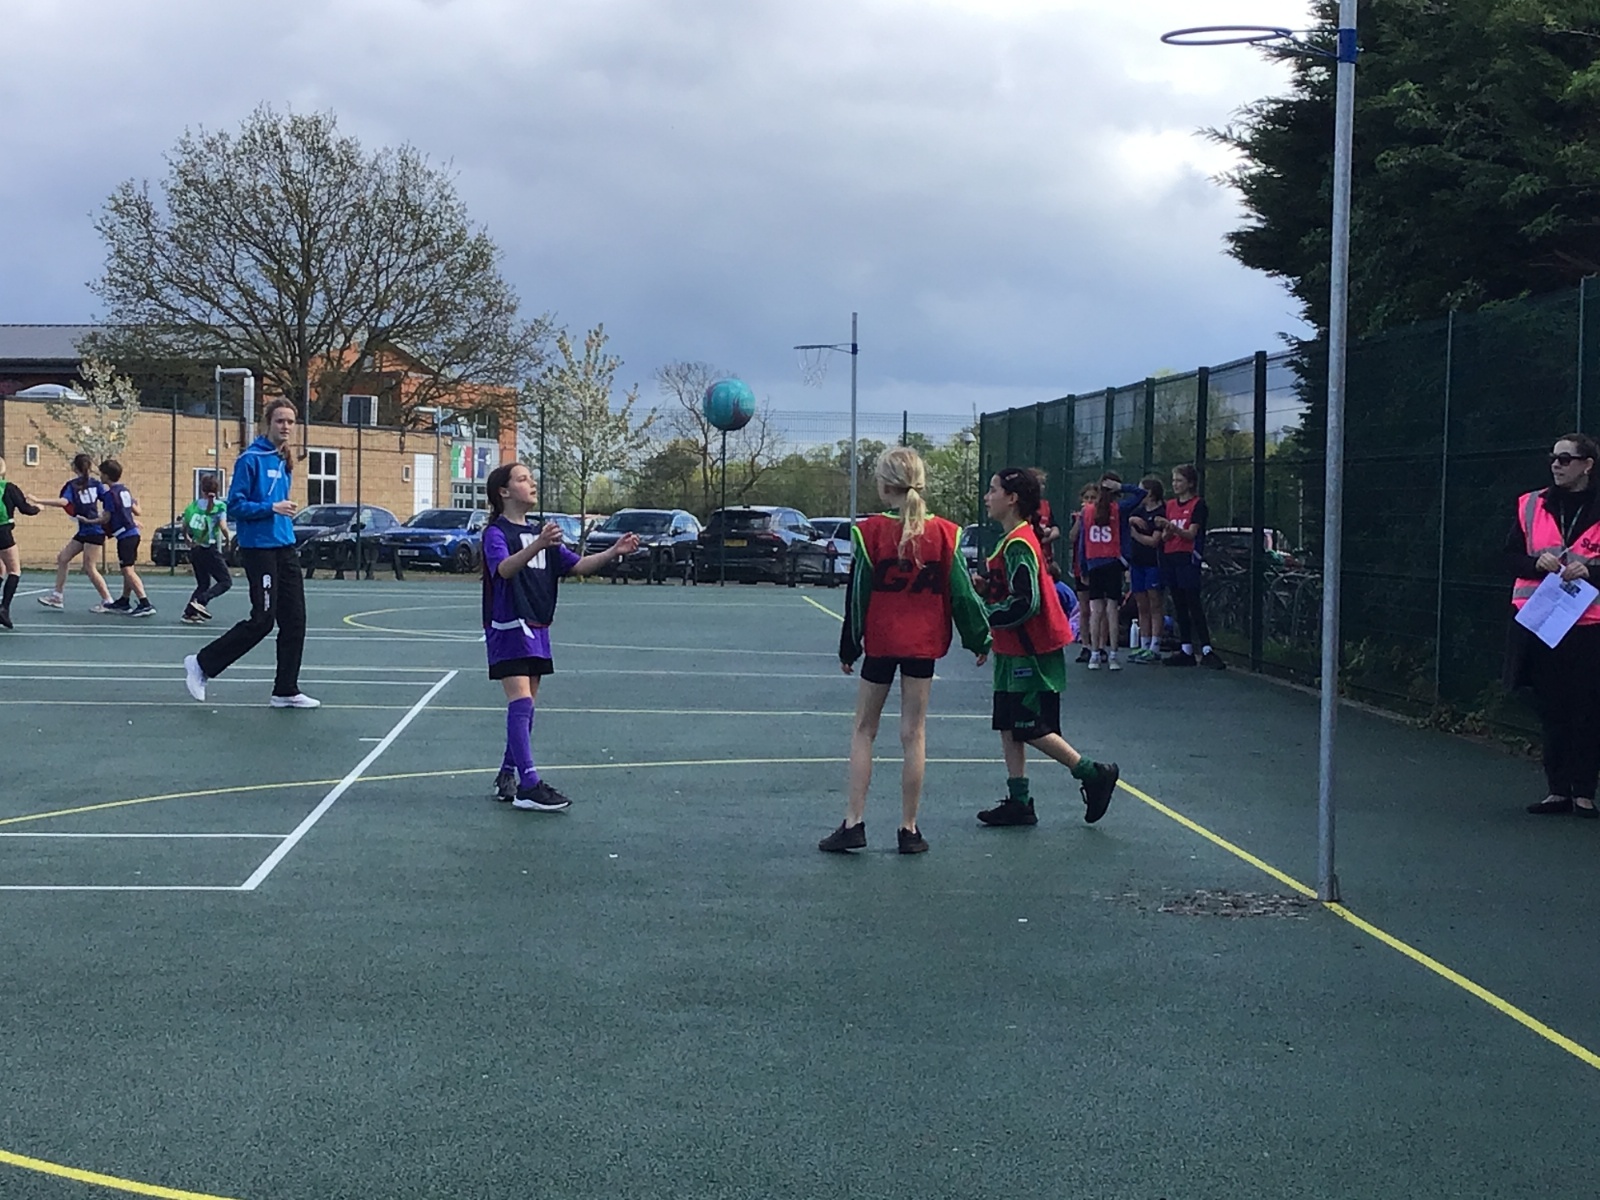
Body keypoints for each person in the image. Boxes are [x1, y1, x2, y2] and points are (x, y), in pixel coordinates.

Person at [820, 447, 991, 855]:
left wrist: (849, 646)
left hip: (882, 642)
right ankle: (909, 829)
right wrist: (978, 637)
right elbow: (962, 594)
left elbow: (858, 595)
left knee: (864, 729)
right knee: (914, 734)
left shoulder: (870, 532)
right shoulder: (945, 533)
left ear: (885, 485)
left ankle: (854, 822)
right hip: (922, 644)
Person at [483, 461, 640, 812]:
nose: (531, 483)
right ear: (504, 492)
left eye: (531, 477)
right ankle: (529, 785)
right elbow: (503, 569)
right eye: (523, 479)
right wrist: (538, 545)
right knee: (520, 701)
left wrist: (613, 551)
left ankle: (507, 773)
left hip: (538, 625)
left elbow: (577, 565)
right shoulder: (497, 533)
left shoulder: (542, 533)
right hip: (509, 625)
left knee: (527, 706)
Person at [978, 466, 1119, 827]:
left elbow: (1027, 602)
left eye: (993, 490)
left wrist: (983, 616)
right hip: (1011, 649)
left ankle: (1092, 772)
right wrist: (986, 589)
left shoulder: (1020, 543)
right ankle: (1019, 801)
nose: (987, 497)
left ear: (1012, 499)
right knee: (1008, 724)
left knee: (1028, 724)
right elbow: (1010, 590)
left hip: (1031, 651)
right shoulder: (1010, 540)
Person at [183, 398, 318, 708]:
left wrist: (281, 513)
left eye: (290, 422)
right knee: (262, 620)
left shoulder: (283, 460)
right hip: (259, 551)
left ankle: (286, 690)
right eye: (280, 421)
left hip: (284, 547)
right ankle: (201, 664)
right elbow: (235, 506)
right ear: (267, 423)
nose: (286, 426)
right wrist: (271, 507)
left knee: (295, 620)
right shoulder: (250, 460)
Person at [1505, 433, 1600, 819]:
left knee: (1588, 709)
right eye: (1554, 458)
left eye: (1565, 459)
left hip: (1589, 624)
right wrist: (1534, 564)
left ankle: (1584, 793)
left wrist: (1592, 572)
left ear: (1587, 465)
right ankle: (1557, 790)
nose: (1556, 465)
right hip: (1542, 621)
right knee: (1552, 708)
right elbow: (1508, 557)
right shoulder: (1531, 504)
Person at [1156, 463, 1225, 669]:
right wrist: (1166, 530)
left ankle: (1206, 649)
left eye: (1179, 480)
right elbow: (1165, 537)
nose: (1175, 484)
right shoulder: (1170, 505)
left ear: (1190, 483)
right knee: (1178, 603)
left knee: (1193, 602)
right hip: (1171, 556)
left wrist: (1172, 528)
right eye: (1174, 480)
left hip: (1188, 557)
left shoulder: (1198, 505)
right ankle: (1186, 649)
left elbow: (1191, 534)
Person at [1075, 470, 1144, 671]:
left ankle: (1094, 654)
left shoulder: (1087, 511)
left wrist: (1083, 566)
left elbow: (1083, 542)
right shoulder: (1119, 509)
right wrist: (1122, 487)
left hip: (1094, 562)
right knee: (1112, 609)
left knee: (1096, 610)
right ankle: (1113, 655)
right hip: (1113, 561)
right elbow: (1141, 494)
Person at [34, 452, 115, 612]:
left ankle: (108, 600)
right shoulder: (95, 484)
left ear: (74, 467)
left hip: (94, 530)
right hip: (84, 530)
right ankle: (57, 596)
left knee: (89, 567)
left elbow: (64, 502)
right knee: (63, 558)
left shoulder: (74, 485)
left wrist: (39, 500)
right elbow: (111, 500)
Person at [97, 459, 154, 617]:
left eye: (101, 473)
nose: (100, 476)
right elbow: (137, 511)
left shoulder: (110, 495)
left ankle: (145, 603)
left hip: (125, 535)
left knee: (128, 570)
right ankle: (124, 600)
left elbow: (107, 517)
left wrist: (90, 520)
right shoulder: (124, 491)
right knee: (128, 569)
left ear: (106, 475)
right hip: (133, 533)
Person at [180, 473, 233, 624]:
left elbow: (184, 526)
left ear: (201, 489)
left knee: (203, 583)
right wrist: (228, 540)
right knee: (225, 581)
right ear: (217, 490)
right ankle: (201, 600)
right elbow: (222, 526)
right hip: (209, 548)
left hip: (195, 549)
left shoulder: (193, 506)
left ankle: (189, 613)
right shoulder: (219, 506)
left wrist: (187, 538)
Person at [1126, 475, 1167, 662]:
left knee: (1154, 603)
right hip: (1137, 563)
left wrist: (1134, 534)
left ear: (1150, 493)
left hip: (1153, 564)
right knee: (1141, 605)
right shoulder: (1138, 511)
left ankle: (1155, 647)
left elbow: (1153, 541)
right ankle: (1144, 645)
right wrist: (1131, 520)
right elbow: (1123, 519)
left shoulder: (1161, 512)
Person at [0, 457, 42, 629]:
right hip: (2, 531)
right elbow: (25, 509)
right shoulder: (8, 487)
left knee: (0, 569)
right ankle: (4, 608)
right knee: (14, 570)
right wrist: (38, 508)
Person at [1067, 482, 1097, 664]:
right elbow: (1072, 536)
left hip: (1097, 566)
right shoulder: (1079, 517)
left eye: (1093, 498)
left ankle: (1098, 646)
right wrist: (1080, 520)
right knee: (1084, 609)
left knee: (1099, 609)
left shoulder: (1102, 516)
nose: (1090, 501)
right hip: (1081, 567)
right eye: (1087, 498)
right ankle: (1085, 645)